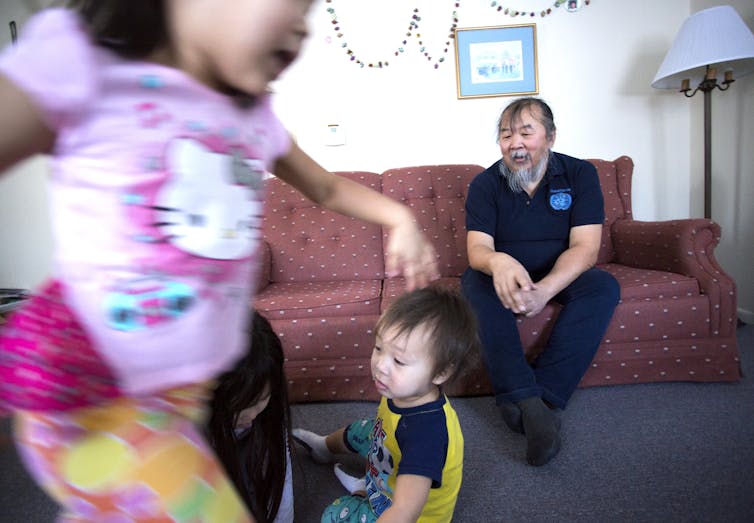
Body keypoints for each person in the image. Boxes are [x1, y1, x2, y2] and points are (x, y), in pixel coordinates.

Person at [0, 1, 439, 521]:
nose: (302, 27)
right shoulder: (88, 65)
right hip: (93, 387)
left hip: (174, 399)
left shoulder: (252, 117)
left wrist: (400, 218)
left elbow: (324, 186)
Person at [461, 97, 619, 467]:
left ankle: (543, 397)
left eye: (526, 132)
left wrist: (546, 289)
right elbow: (478, 249)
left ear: (550, 137)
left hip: (560, 269)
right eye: (506, 135)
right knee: (473, 283)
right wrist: (497, 261)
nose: (515, 143)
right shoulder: (485, 184)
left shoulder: (580, 175)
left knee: (602, 287)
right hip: (508, 272)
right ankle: (527, 401)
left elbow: (586, 247)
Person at [293, 286, 481, 523]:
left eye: (399, 360)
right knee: (362, 430)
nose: (380, 365)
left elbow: (404, 512)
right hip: (390, 449)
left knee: (333, 514)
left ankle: (368, 493)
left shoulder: (426, 436)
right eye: (379, 348)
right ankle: (324, 448)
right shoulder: (404, 390)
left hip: (408, 512)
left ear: (441, 372)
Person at [208, 310, 294, 523]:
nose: (252, 416)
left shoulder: (269, 417)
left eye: (261, 400)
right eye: (239, 406)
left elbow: (281, 483)